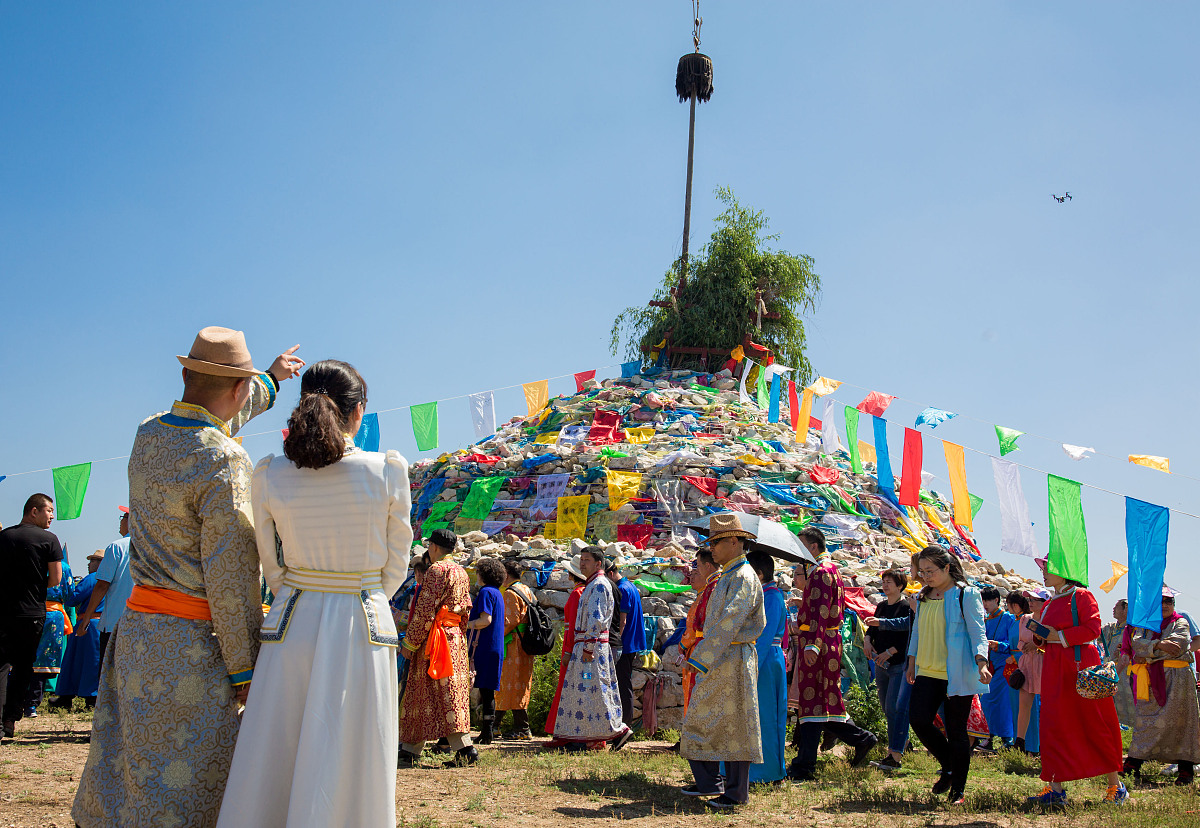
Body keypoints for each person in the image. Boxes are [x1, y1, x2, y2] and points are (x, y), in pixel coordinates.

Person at [73, 326, 304, 828]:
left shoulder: (148, 433)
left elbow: (212, 420)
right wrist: (246, 668)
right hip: (192, 650)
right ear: (240, 388)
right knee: (186, 782)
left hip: (137, 635)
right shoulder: (224, 461)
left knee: (129, 768)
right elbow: (231, 574)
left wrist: (270, 378)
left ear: (183, 373)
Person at [216, 359, 411, 828]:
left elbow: (271, 564)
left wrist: (302, 591)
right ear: (358, 411)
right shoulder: (385, 470)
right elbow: (397, 564)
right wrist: (360, 591)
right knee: (353, 748)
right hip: (362, 622)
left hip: (294, 618)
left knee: (276, 743)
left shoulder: (269, 472)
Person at [680, 514, 766, 810]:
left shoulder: (743, 576)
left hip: (734, 659)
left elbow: (730, 621)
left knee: (736, 725)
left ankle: (735, 792)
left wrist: (700, 658)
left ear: (734, 541)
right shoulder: (729, 575)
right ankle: (712, 783)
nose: (711, 548)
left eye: (716, 542)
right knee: (707, 720)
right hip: (720, 659)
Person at [1026, 566, 1126, 805]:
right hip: (1054, 668)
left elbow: (1092, 629)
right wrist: (1041, 636)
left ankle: (1116, 786)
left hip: (1079, 667)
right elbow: (1047, 639)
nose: (1043, 572)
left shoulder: (1081, 595)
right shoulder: (1050, 602)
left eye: (1049, 568)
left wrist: (1057, 636)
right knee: (1054, 723)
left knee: (1093, 722)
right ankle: (1055, 788)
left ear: (1065, 569)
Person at [787, 528, 877, 783]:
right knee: (821, 703)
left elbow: (821, 611)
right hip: (824, 641)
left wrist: (812, 646)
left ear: (813, 547)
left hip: (820, 643)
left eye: (802, 545)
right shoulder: (825, 570)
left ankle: (804, 765)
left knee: (813, 701)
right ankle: (861, 739)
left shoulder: (822, 572)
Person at [905, 545, 990, 805]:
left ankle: (958, 790)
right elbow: (917, 632)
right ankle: (949, 765)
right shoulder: (924, 596)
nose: (925, 576)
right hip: (927, 671)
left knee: (957, 731)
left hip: (957, 672)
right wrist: (911, 662)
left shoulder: (966, 595)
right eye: (922, 572)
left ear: (946, 568)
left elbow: (978, 633)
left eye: (930, 571)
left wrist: (982, 662)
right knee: (918, 720)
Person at [398, 528, 477, 767]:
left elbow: (424, 611)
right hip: (454, 638)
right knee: (445, 692)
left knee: (436, 693)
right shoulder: (461, 571)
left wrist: (409, 643)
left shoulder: (436, 570)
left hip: (435, 640)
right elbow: (466, 608)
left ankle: (464, 749)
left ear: (433, 547)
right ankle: (411, 748)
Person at [551, 545, 632, 751]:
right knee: (589, 693)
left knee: (595, 691)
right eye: (581, 559)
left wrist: (588, 647)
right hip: (588, 647)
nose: (582, 563)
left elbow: (597, 618)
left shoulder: (598, 585)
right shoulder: (593, 584)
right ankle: (590, 738)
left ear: (598, 563)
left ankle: (617, 730)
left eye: (587, 559)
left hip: (592, 649)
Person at [0, 493, 64, 740]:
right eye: (49, 511)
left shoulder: (4, 537)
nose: (52, 516)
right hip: (32, 613)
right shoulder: (49, 540)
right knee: (24, 666)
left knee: (1, 664)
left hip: (3, 612)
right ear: (33, 511)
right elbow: (56, 579)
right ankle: (10, 719)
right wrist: (36, 585)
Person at [1122, 590, 1200, 787]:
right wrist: (1159, 645)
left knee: (1182, 723)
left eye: (1169, 601)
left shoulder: (1181, 622)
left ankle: (1185, 770)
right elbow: (1136, 644)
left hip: (1179, 681)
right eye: (1161, 601)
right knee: (1146, 721)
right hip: (1150, 680)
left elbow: (1179, 645)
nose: (1165, 605)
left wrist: (1149, 652)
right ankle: (1133, 766)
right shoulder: (1145, 623)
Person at [864, 568, 914, 769]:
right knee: (886, 707)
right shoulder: (882, 606)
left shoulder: (906, 607)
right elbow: (872, 628)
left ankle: (894, 754)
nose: (885, 585)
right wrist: (868, 641)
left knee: (894, 708)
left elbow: (908, 635)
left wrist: (891, 651)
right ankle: (903, 741)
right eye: (883, 581)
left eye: (889, 582)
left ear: (900, 586)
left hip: (898, 664)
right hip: (880, 664)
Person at [74, 507, 134, 672]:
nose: (121, 521)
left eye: (123, 517)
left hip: (115, 622)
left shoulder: (117, 547)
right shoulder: (151, 549)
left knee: (109, 673)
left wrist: (85, 621)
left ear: (131, 520)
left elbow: (102, 585)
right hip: (143, 623)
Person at [747, 549, 787, 785]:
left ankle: (768, 771)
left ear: (759, 574)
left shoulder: (771, 597)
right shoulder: (765, 595)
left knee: (767, 716)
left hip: (765, 659)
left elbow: (764, 636)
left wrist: (753, 666)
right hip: (764, 657)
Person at [51, 549, 105, 709]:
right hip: (103, 624)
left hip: (86, 625)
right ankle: (91, 699)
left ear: (100, 563)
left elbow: (73, 599)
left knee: (76, 661)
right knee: (94, 662)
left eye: (93, 560)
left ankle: (67, 696)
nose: (89, 564)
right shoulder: (114, 579)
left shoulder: (92, 578)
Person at [543, 556, 585, 740]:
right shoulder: (585, 592)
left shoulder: (577, 594)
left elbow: (573, 625)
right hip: (578, 644)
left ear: (571, 575)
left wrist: (567, 650)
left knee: (565, 687)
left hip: (572, 644)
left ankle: (562, 730)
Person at [496, 558, 538, 740]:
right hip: (524, 644)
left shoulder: (510, 593)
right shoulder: (526, 589)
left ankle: (517, 727)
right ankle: (503, 726)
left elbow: (509, 622)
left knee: (508, 684)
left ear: (505, 574)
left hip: (513, 644)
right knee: (519, 684)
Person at [467, 557, 506, 745]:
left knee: (481, 688)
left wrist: (465, 624)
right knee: (488, 690)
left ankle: (483, 731)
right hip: (496, 647)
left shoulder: (485, 593)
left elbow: (485, 620)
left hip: (484, 647)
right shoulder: (497, 593)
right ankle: (487, 731)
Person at [28, 558, 75, 713]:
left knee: (24, 654)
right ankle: (33, 703)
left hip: (27, 610)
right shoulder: (64, 567)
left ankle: (18, 700)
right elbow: (69, 595)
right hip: (53, 615)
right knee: (44, 658)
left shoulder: (29, 561)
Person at [606, 557, 646, 730]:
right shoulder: (630, 586)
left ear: (610, 573)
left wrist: (617, 643)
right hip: (632, 642)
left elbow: (622, 621)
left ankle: (625, 725)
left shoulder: (621, 589)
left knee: (623, 685)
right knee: (623, 683)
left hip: (625, 644)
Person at [679, 549, 719, 714]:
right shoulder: (706, 592)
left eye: (697, 570)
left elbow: (694, 628)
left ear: (708, 567)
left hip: (700, 649)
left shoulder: (712, 590)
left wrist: (682, 645)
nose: (692, 576)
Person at [980, 586, 1017, 748]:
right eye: (983, 601)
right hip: (989, 666)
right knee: (987, 702)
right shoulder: (985, 620)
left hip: (1005, 666)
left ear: (996, 600)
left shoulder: (1008, 619)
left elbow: (1014, 644)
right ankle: (990, 737)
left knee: (1001, 703)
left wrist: (997, 645)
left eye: (987, 600)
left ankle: (1006, 739)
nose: (985, 604)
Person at [1013, 588, 1048, 754]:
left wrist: (1038, 644)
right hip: (1027, 663)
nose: (1031, 602)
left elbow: (1050, 641)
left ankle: (1046, 743)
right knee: (1024, 705)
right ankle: (1020, 742)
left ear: (1044, 602)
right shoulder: (1025, 619)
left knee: (1047, 707)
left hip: (1045, 663)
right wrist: (1027, 646)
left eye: (1035, 599)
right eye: (1030, 599)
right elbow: (1020, 641)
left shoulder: (1050, 620)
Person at [1099, 599, 1135, 727]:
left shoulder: (1133, 629)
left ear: (1126, 609)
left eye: (1117, 606)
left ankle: (1130, 727)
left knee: (1127, 700)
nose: (1113, 609)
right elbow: (1095, 633)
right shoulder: (1111, 628)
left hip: (1126, 671)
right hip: (1109, 670)